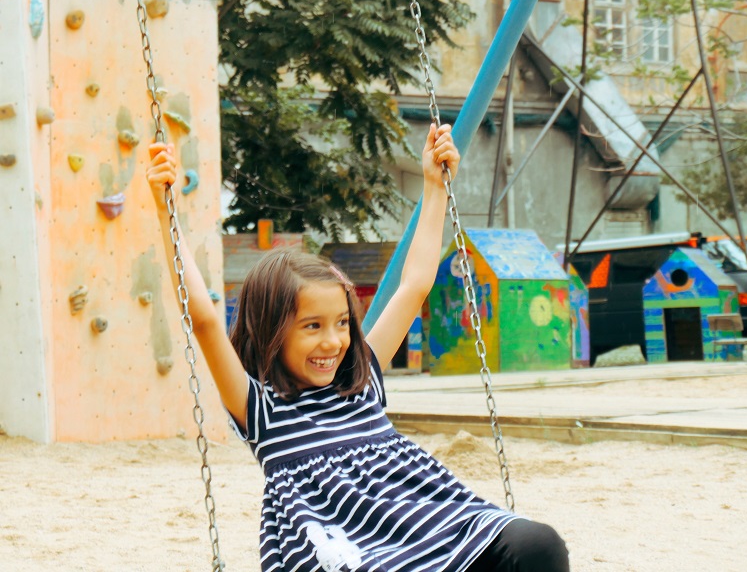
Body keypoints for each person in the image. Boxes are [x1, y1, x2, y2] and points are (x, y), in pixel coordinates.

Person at [145, 123, 569, 572]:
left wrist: (433, 184)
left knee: (539, 545)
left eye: (342, 323)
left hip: (431, 527)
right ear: (272, 332)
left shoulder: (360, 379)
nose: (333, 341)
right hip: (352, 552)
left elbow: (415, 284)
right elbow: (206, 321)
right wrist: (164, 206)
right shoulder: (262, 411)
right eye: (312, 326)